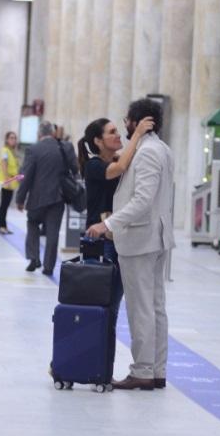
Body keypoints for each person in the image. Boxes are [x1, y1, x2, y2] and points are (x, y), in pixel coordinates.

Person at [87, 98, 175, 391]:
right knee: (155, 306)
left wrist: (108, 224)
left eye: (126, 120)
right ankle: (156, 369)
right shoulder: (160, 149)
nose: (124, 125)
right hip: (154, 237)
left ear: (137, 121)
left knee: (142, 308)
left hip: (140, 238)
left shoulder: (147, 153)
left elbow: (142, 200)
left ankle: (142, 370)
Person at [77, 115, 154, 371]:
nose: (118, 135)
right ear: (98, 141)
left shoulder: (117, 162)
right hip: (100, 243)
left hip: (116, 241)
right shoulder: (94, 166)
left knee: (110, 309)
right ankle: (78, 362)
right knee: (100, 308)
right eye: (111, 132)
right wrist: (137, 134)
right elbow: (118, 168)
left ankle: (100, 367)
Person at [16, 121, 78, 276]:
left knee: (32, 224)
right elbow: (75, 169)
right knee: (53, 232)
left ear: (39, 134)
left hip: (36, 198)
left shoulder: (33, 149)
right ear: (54, 132)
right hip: (58, 197)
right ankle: (48, 267)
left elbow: (26, 176)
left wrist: (20, 198)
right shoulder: (66, 147)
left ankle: (33, 258)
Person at [0, 131, 19, 235]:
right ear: (6, 139)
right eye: (11, 138)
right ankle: (1, 226)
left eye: (14, 138)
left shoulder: (11, 151)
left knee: (6, 205)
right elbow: (4, 165)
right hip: (7, 182)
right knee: (4, 205)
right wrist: (6, 180)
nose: (13, 140)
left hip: (11, 182)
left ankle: (4, 225)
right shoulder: (5, 150)